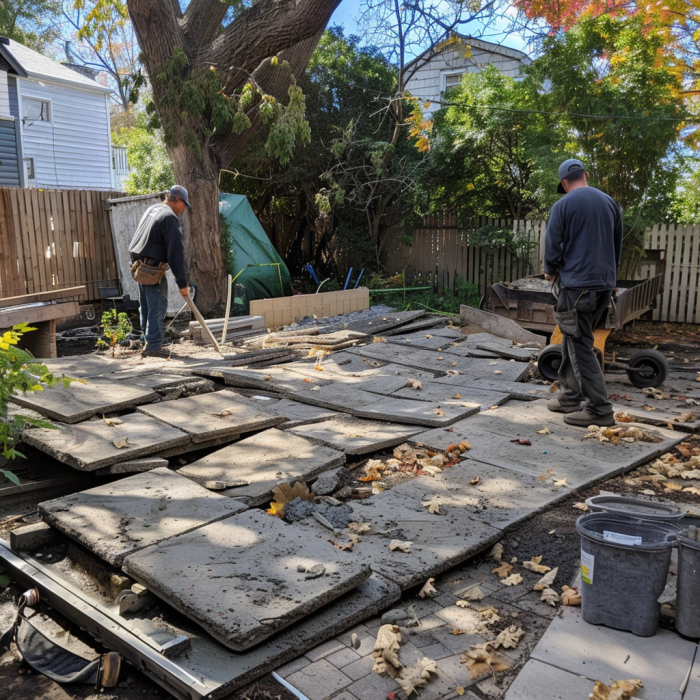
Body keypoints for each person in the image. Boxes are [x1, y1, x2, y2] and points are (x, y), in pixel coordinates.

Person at [544, 159, 622, 427]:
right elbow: (616, 245)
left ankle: (600, 410)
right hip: (604, 285)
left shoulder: (563, 205)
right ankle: (570, 397)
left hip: (577, 286)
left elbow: (553, 244)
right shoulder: (610, 203)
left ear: (564, 183)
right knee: (572, 337)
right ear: (586, 175)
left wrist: (550, 270)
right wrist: (611, 278)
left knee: (580, 345)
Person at [128, 185, 191, 358]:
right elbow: (175, 254)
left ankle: (147, 341)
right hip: (152, 268)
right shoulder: (169, 217)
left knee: (147, 307)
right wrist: (182, 284)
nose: (183, 209)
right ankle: (154, 346)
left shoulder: (154, 209)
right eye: (184, 204)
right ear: (176, 200)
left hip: (139, 265)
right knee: (157, 307)